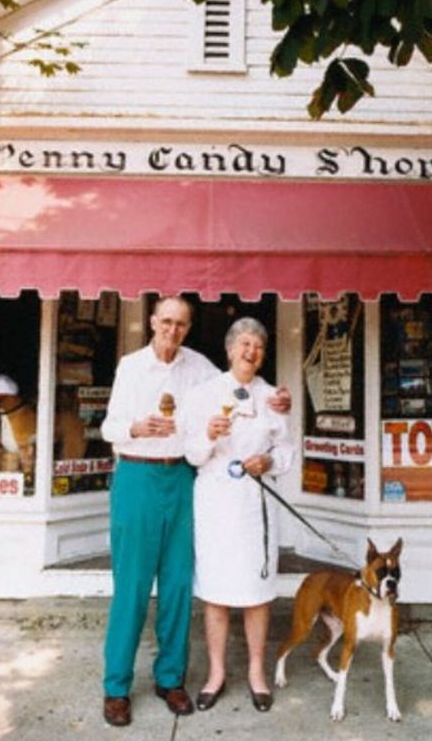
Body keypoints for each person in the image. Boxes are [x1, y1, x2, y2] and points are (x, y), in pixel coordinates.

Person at [99, 297, 289, 728]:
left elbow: (240, 384)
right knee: (131, 585)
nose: (173, 330)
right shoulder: (131, 366)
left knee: (178, 584)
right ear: (152, 322)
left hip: (183, 480)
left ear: (188, 328)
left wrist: (279, 400)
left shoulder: (200, 367)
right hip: (137, 475)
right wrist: (136, 428)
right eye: (166, 321)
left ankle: (170, 679)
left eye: (181, 324)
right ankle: (116, 687)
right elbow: (108, 427)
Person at [183, 317, 295, 714]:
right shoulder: (203, 395)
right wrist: (209, 436)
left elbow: (286, 451)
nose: (251, 352)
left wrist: (268, 459)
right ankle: (215, 674)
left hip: (253, 505)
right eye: (244, 344)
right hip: (215, 503)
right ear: (230, 349)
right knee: (216, 591)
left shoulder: (271, 397)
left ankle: (256, 673)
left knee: (256, 593)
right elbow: (192, 454)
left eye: (259, 347)